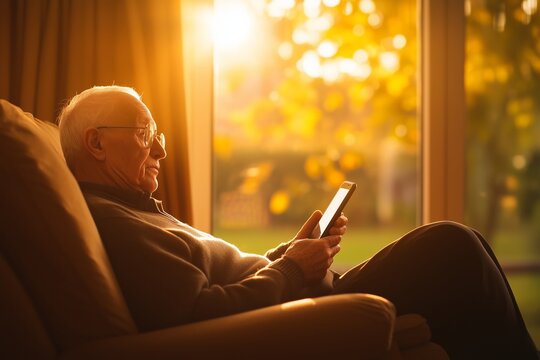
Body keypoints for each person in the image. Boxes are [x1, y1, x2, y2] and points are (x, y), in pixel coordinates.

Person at [58, 85, 538, 359]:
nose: (161, 149)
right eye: (146, 134)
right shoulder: (116, 223)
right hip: (300, 312)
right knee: (451, 246)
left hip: (298, 294)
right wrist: (292, 270)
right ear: (97, 144)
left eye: (157, 134)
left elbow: (223, 283)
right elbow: (198, 314)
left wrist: (291, 253)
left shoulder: (133, 211)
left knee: (464, 250)